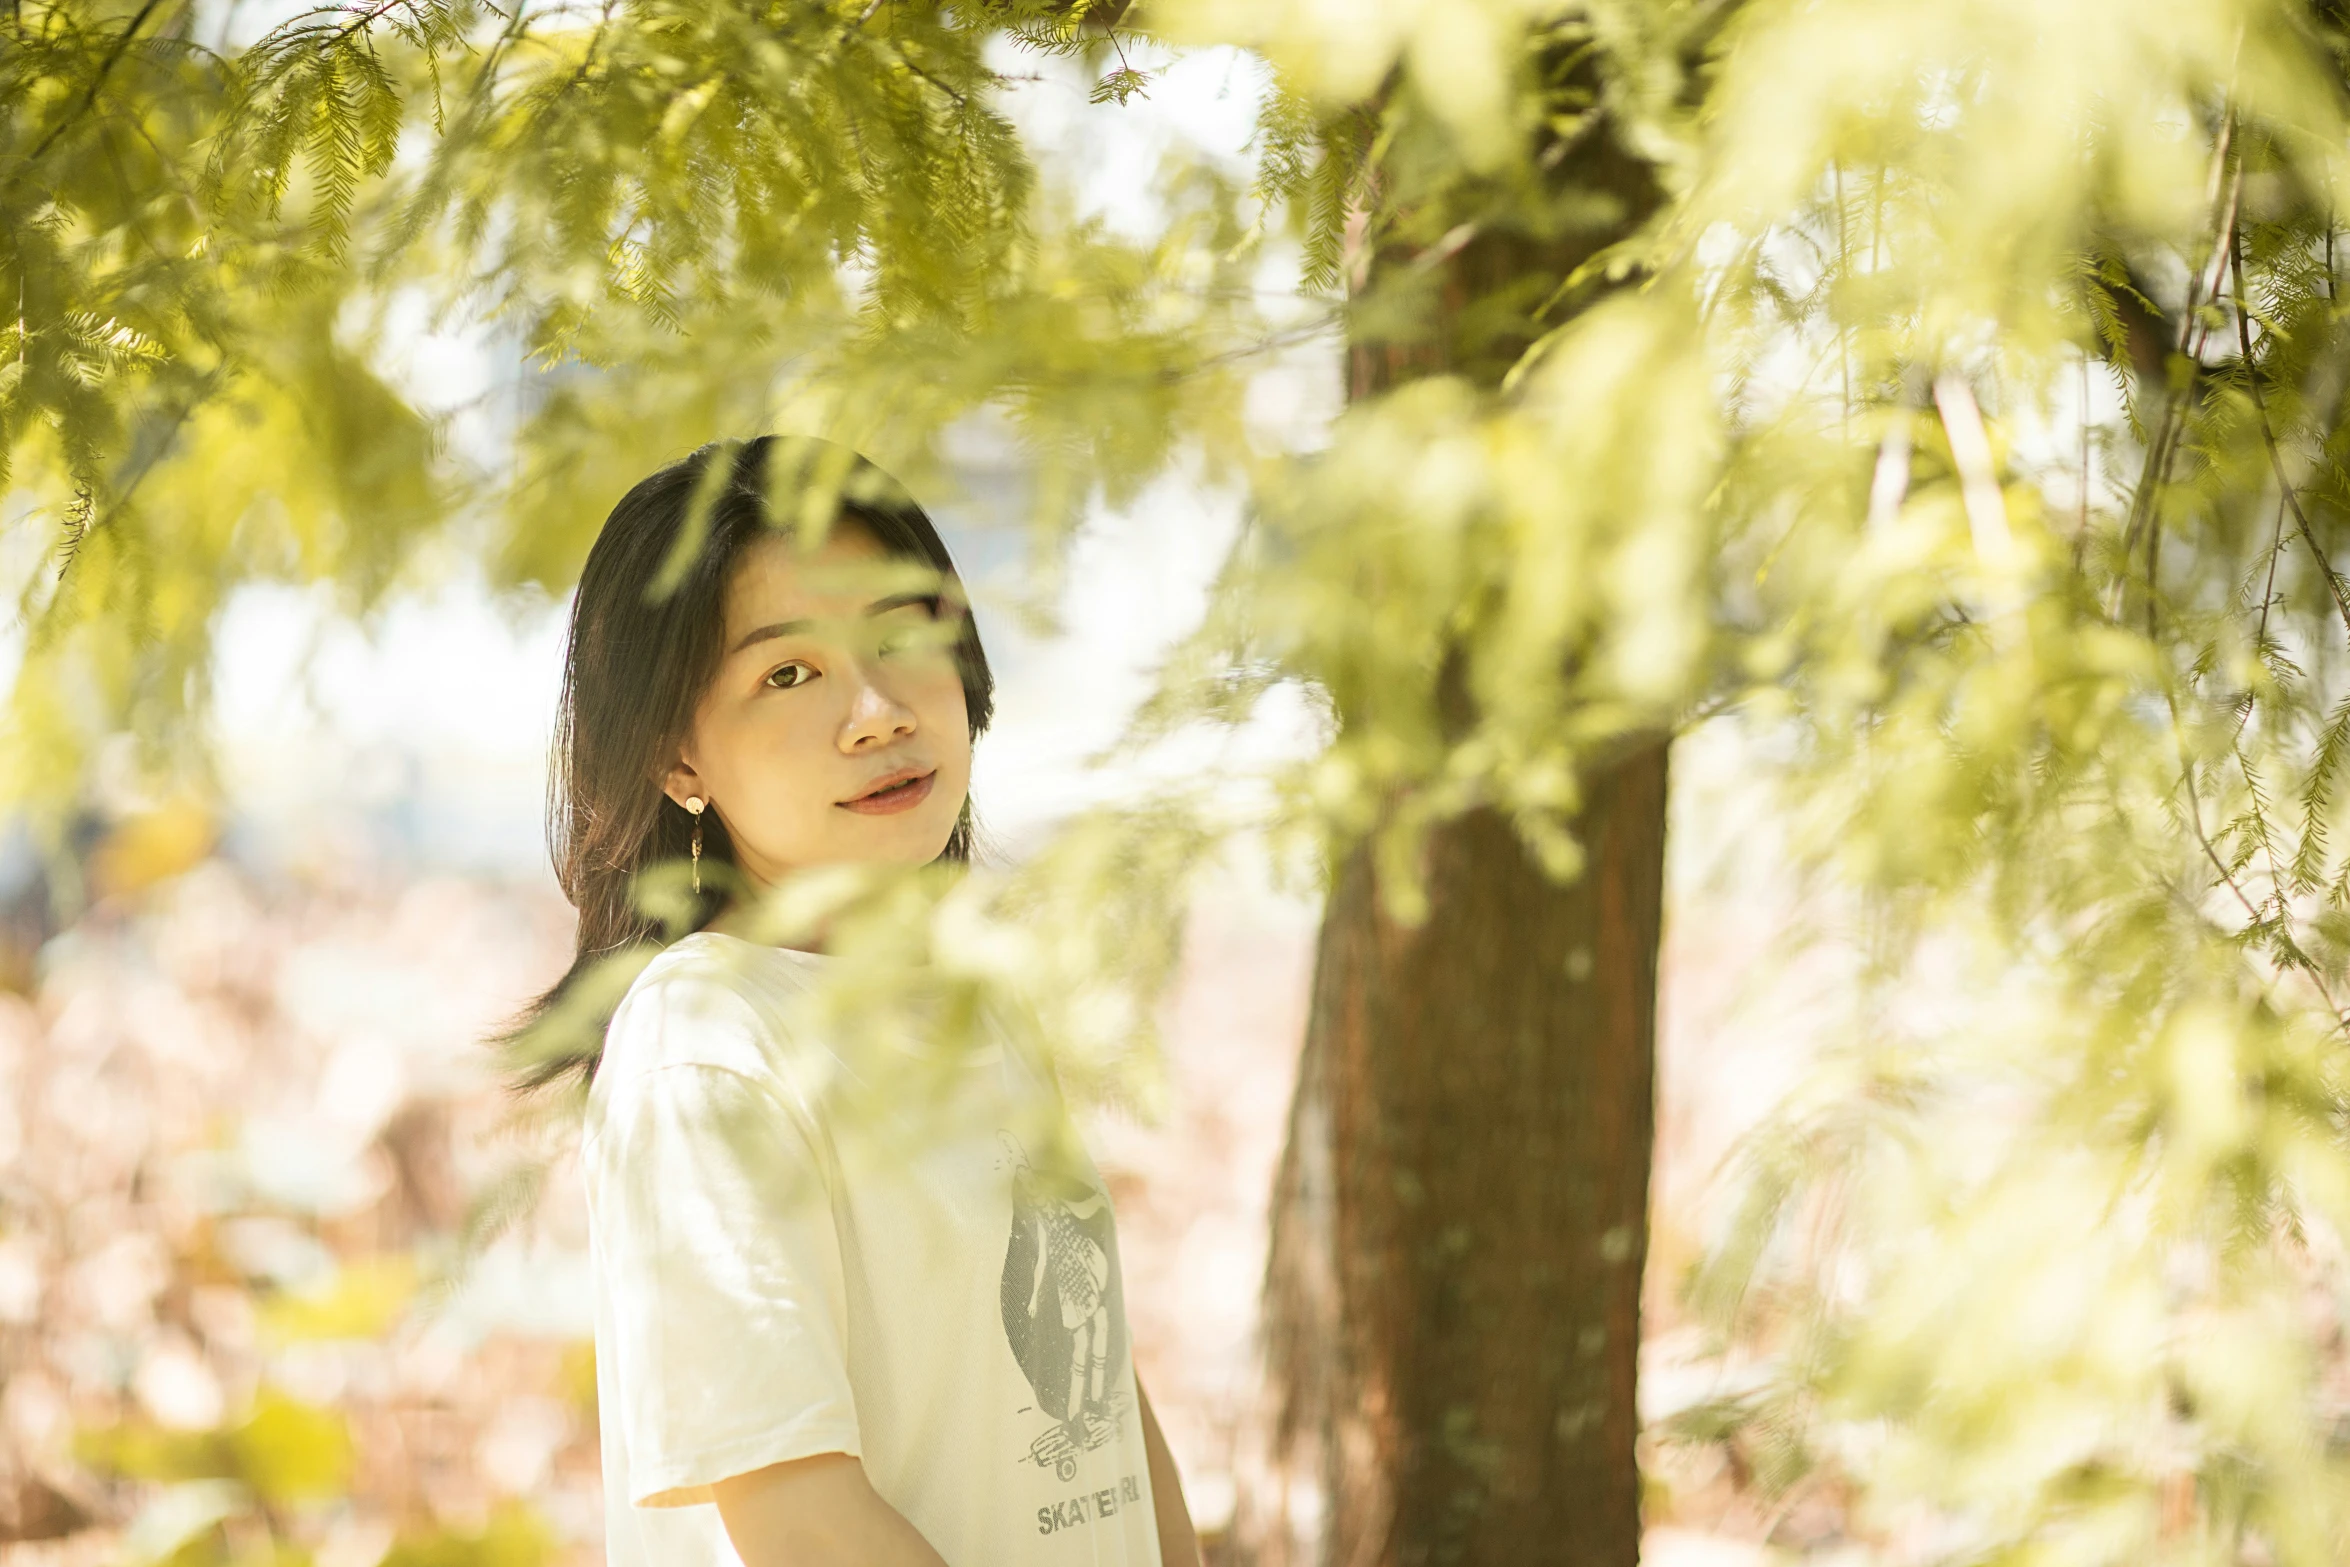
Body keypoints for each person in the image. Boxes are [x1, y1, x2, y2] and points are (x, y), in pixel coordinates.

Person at [505, 436, 1202, 1566]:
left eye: (898, 637)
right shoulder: (706, 1047)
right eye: (789, 672)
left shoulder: (973, 1003)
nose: (876, 710)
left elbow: (1102, 1411)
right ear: (678, 759)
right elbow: (801, 1524)